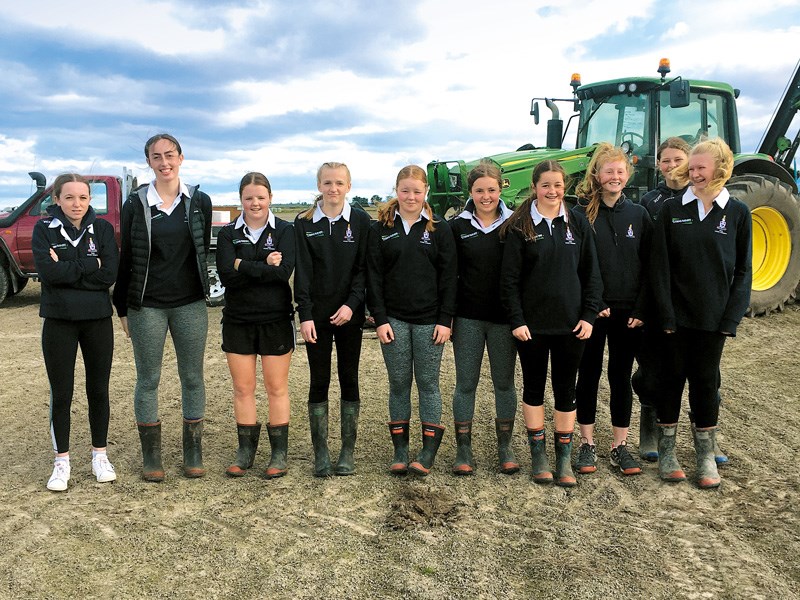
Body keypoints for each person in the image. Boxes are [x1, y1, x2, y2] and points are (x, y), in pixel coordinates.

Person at [650, 137, 751, 488]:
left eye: (700, 168)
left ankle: (706, 456)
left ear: (720, 169)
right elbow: (659, 268)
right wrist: (664, 315)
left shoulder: (737, 213)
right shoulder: (671, 211)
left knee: (706, 385)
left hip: (713, 320)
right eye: (691, 168)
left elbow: (743, 272)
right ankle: (667, 452)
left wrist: (730, 319)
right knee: (671, 381)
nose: (694, 174)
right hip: (675, 319)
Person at [113, 133, 212, 482]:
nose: (164, 162)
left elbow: (201, 252)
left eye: (170, 155)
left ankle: (193, 452)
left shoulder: (199, 201)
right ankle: (151, 457)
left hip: (189, 304)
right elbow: (127, 257)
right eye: (156, 157)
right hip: (147, 305)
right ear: (149, 162)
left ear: (181, 158)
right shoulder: (135, 203)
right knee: (149, 378)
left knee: (192, 377)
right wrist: (123, 307)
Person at [500, 160, 602, 487]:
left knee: (565, 390)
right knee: (533, 388)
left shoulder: (578, 223)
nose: (552, 191)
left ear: (564, 186)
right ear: (534, 187)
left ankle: (564, 459)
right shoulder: (520, 226)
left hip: (572, 327)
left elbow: (592, 275)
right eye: (546, 185)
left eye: (557, 185)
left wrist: (588, 316)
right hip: (531, 328)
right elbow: (509, 280)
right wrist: (516, 320)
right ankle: (539, 455)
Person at [367, 165, 457, 476]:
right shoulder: (380, 228)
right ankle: (401, 450)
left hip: (430, 322)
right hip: (393, 320)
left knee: (429, 383)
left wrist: (446, 320)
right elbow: (373, 277)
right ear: (396, 191)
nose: (411, 196)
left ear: (425, 194)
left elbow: (449, 278)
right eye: (405, 190)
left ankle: (428, 451)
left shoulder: (438, 229)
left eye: (417, 191)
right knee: (399, 384)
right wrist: (379, 319)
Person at [34, 174, 119, 491]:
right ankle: (62, 462)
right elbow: (48, 274)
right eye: (69, 197)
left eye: (82, 197)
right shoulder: (44, 230)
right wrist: (89, 265)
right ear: (56, 199)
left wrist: (70, 266)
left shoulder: (104, 229)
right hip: (58, 320)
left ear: (90, 200)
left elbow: (109, 273)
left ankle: (100, 456)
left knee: (98, 390)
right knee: (62, 393)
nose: (76, 204)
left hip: (97, 319)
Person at [573, 143, 652, 476]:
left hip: (629, 314)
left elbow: (650, 265)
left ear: (627, 174)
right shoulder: (580, 214)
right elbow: (575, 265)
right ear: (597, 174)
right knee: (588, 374)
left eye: (620, 171)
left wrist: (641, 307)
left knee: (620, 376)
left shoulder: (639, 215)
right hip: (594, 311)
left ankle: (620, 445)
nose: (615, 176)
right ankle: (586, 443)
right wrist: (594, 304)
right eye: (609, 171)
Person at [217, 172, 295, 479]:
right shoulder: (227, 234)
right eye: (249, 198)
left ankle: (278, 453)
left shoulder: (286, 231)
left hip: (275, 318)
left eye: (261, 197)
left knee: (276, 387)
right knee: (243, 388)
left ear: (270, 198)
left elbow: (283, 273)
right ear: (241, 200)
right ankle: (246, 451)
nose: (255, 203)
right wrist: (263, 264)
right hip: (237, 320)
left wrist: (242, 264)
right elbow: (226, 275)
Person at [294, 162, 370, 477]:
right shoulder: (305, 222)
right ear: (319, 185)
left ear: (348, 186)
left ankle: (347, 453)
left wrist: (353, 306)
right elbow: (303, 274)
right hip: (318, 319)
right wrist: (306, 315)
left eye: (339, 183)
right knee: (319, 379)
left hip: (349, 316)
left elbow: (364, 269)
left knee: (348, 377)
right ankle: (321, 452)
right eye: (327, 183)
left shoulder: (363, 221)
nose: (333, 189)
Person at [448, 161, 519, 475]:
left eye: (491, 189)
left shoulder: (515, 223)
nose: (486, 196)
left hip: (504, 319)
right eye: (480, 190)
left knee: (504, 384)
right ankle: (464, 449)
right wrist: (448, 317)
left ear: (501, 188)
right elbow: (449, 276)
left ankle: (505, 446)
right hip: (468, 319)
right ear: (471, 192)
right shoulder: (457, 226)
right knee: (466, 384)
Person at [633, 137, 690, 461]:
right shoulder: (649, 202)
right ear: (658, 164)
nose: (671, 166)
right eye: (666, 161)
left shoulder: (699, 199)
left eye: (677, 160)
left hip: (688, 298)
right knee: (651, 368)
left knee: (702, 372)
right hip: (655, 297)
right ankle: (649, 431)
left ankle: (706, 433)